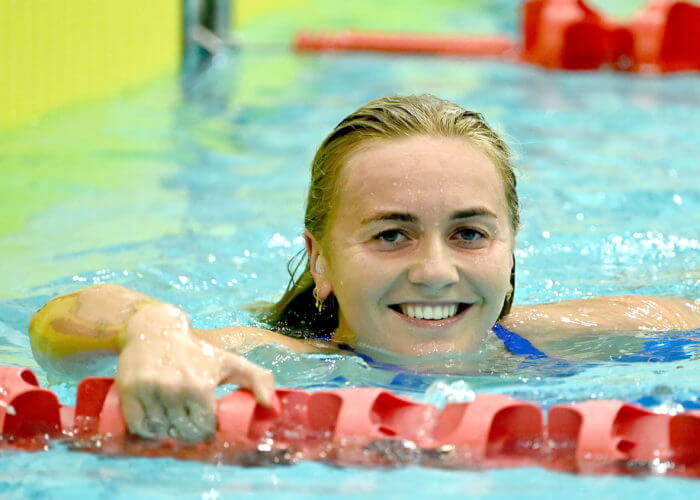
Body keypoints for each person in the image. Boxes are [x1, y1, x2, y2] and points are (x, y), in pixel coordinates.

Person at [28, 95, 699, 444]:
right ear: (321, 260)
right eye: (391, 235)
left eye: (469, 232)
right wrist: (151, 329)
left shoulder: (582, 335)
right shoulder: (271, 363)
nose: (435, 271)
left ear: (512, 246)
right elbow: (57, 327)